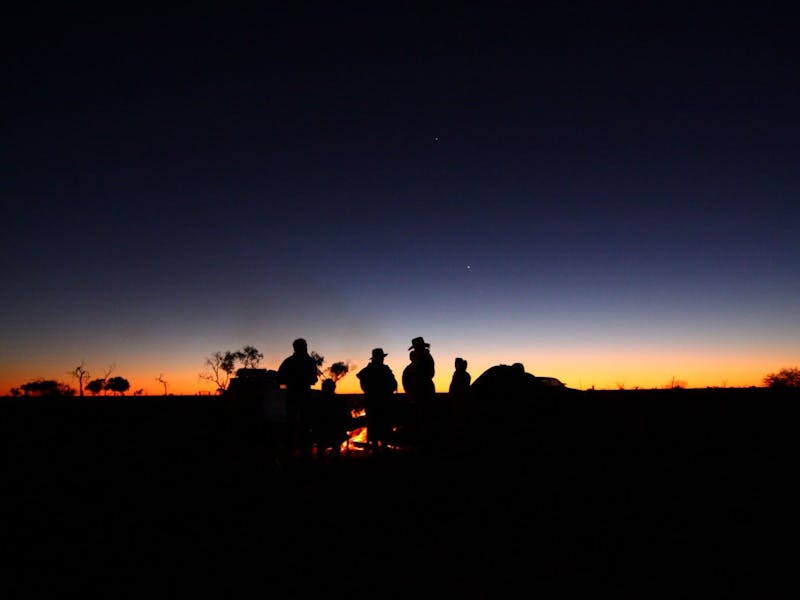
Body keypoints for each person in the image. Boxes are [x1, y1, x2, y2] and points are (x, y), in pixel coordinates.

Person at [277, 338, 319, 460]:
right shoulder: (309, 361)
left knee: (290, 423)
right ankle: (305, 453)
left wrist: (291, 380)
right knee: (305, 424)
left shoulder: (288, 361)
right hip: (305, 395)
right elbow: (313, 380)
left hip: (292, 395)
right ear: (305, 347)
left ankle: (289, 452)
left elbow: (280, 378)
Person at [356, 348, 398, 455]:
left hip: (373, 402)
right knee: (380, 425)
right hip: (380, 402)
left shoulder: (368, 371)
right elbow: (393, 384)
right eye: (381, 358)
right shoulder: (384, 370)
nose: (382, 360)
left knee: (375, 425)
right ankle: (381, 448)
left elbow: (364, 386)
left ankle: (377, 448)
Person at [403, 337, 436, 453]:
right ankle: (424, 444)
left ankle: (424, 445)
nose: (415, 351)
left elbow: (428, 374)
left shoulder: (423, 359)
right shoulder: (424, 358)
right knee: (423, 418)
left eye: (416, 348)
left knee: (423, 419)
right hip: (422, 392)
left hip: (422, 393)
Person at [448, 357, 471, 449]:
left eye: (456, 364)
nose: (455, 365)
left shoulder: (461, 375)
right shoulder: (460, 374)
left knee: (459, 417)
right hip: (458, 399)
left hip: (459, 399)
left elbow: (458, 388)